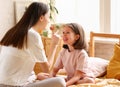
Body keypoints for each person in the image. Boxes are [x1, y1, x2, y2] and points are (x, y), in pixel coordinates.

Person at [0, 2, 66, 87]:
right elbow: (47, 70)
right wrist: (54, 44)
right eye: (48, 17)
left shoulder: (13, 32)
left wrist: (35, 76)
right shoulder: (32, 35)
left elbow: (16, 66)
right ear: (41, 18)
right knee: (61, 82)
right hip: (14, 85)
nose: (49, 20)